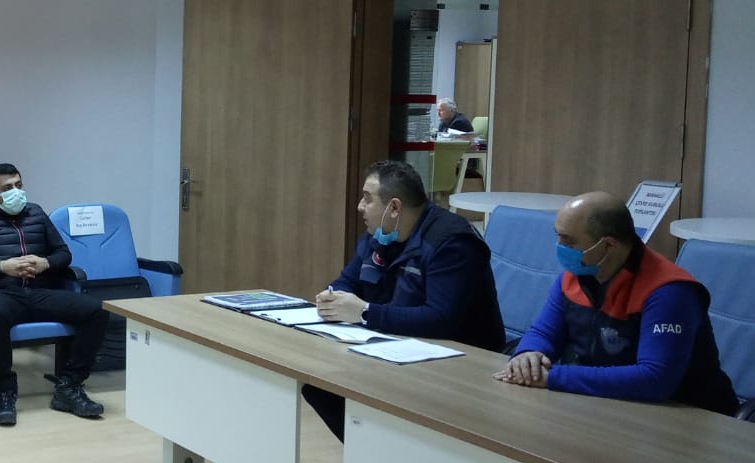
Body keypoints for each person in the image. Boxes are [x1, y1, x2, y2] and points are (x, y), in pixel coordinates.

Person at [302, 160, 505, 441]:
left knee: (344, 385)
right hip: (400, 344)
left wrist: (364, 312)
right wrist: (331, 295)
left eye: (367, 198)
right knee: (320, 385)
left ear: (394, 208)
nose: (360, 206)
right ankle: (377, 462)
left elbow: (440, 320)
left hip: (456, 363)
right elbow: (348, 281)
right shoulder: (381, 235)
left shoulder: (452, 242)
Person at [494, 192, 738, 414]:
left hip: (685, 416)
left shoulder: (668, 291)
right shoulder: (576, 275)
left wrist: (553, 377)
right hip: (606, 405)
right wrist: (527, 355)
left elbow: (655, 379)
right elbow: (543, 332)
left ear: (608, 245)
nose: (560, 247)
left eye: (568, 241)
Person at [0, 162, 109, 426]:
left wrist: (46, 263)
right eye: (8, 187)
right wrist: (3, 266)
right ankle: (5, 391)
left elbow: (63, 253)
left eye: (19, 185)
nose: (16, 192)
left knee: (96, 311)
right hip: (4, 293)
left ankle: (69, 386)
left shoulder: (36, 213)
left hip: (41, 291)